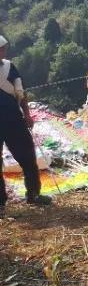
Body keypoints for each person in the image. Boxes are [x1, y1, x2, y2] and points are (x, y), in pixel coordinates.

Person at [0, 35, 51, 212]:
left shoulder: (9, 67)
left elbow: (20, 92)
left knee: (28, 157)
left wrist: (27, 114)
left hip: (13, 119)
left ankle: (33, 194)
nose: (2, 51)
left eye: (3, 48)